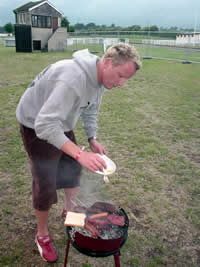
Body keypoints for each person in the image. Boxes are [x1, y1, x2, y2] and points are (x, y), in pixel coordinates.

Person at [16, 42, 141, 263]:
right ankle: (42, 235)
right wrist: (79, 153)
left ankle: (69, 212)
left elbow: (91, 108)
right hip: (35, 124)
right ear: (108, 62)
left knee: (73, 170)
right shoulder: (73, 79)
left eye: (126, 80)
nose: (121, 84)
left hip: (59, 122)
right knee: (45, 181)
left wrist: (91, 138)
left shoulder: (100, 79)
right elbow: (44, 125)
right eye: (121, 76)